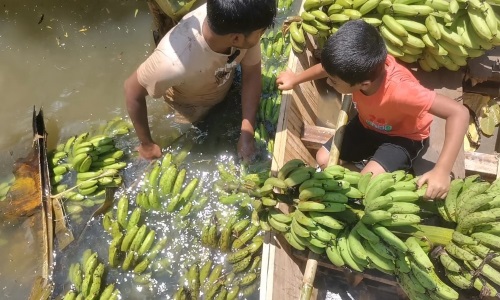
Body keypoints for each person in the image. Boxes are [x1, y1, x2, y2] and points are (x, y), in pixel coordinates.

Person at [276, 20, 469, 200]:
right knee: (323, 158)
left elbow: (458, 113)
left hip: (402, 138)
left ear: (364, 84)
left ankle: (367, 168)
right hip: (367, 125)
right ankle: (362, 166)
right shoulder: (359, 69)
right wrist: (296, 79)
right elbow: (327, 69)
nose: (328, 82)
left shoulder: (403, 91)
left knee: (366, 184)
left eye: (334, 82)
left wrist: (442, 171)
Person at [124, 0, 277, 162]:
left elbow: (252, 73)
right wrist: (147, 145)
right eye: (261, 32)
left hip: (222, 81)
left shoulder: (238, 21)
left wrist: (247, 131)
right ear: (237, 38)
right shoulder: (173, 62)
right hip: (190, 107)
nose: (262, 34)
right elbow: (132, 90)